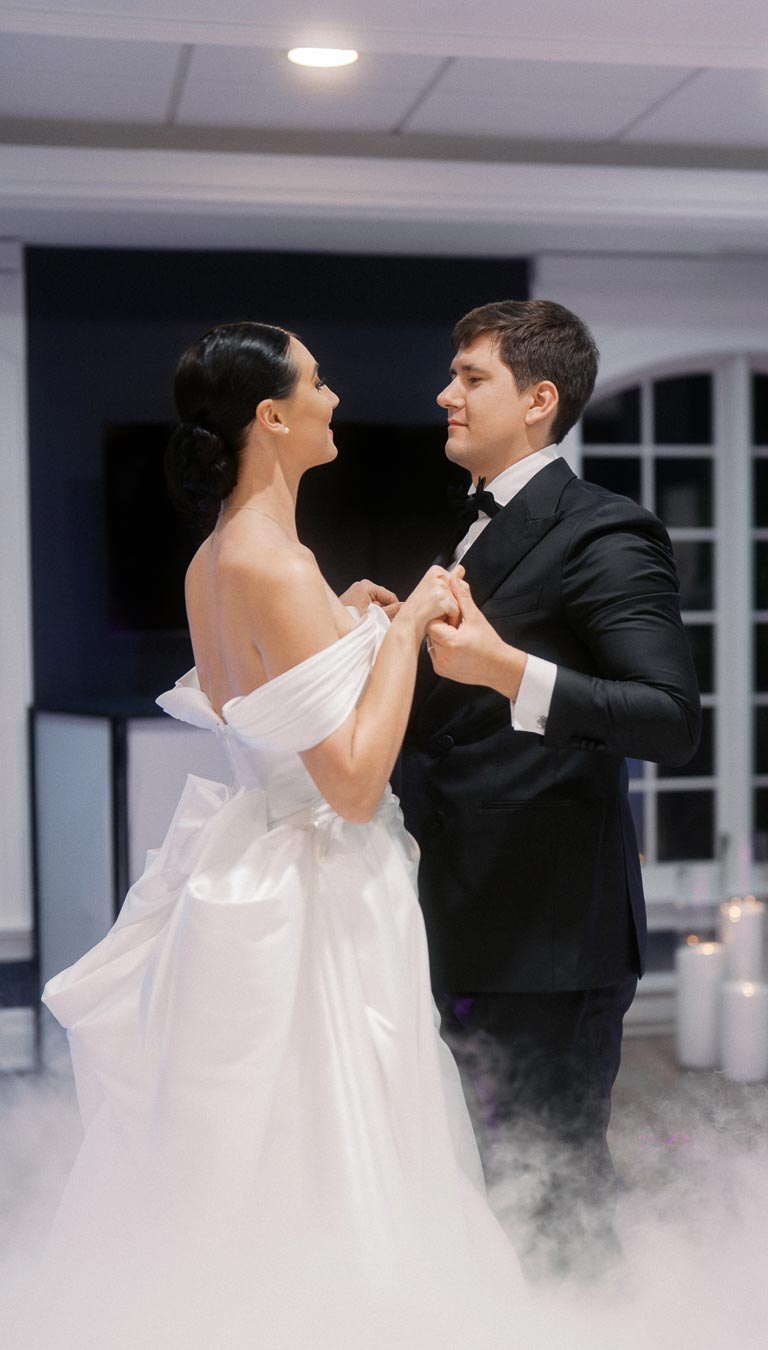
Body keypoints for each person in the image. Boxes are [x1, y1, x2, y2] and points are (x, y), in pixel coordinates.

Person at [41, 321, 520, 1309]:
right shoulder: (276, 565)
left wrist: (347, 627)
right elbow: (348, 783)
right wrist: (406, 632)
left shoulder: (216, 558)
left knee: (256, 1147)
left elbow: (268, 699)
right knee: (343, 1135)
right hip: (321, 886)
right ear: (272, 415)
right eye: (317, 381)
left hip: (251, 864)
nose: (335, 397)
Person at [399, 300, 702, 1272]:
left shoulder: (603, 530)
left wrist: (507, 671)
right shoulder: (477, 528)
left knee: (557, 1196)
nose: (447, 393)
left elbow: (667, 716)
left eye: (470, 376)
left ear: (539, 400)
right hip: (465, 918)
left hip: (549, 940)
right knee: (492, 1190)